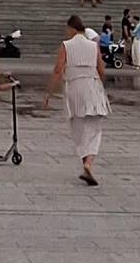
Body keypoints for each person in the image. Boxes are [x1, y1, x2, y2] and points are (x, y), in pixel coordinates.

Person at [42, 15, 109, 186]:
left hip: (74, 88)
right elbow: (101, 69)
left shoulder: (66, 45)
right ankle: (88, 164)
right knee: (94, 128)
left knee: (78, 128)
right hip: (92, 86)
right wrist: (100, 86)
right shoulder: (93, 45)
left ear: (71, 28)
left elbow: (58, 69)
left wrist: (49, 92)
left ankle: (86, 164)